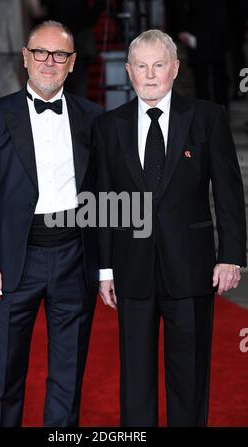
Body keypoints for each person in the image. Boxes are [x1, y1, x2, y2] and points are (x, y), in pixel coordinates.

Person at [94, 29, 247, 426]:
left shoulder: (207, 117)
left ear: (175, 69)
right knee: (136, 378)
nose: (149, 75)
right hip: (132, 270)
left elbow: (229, 192)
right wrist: (106, 268)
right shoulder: (108, 126)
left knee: (190, 376)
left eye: (158, 65)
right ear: (128, 71)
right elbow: (105, 203)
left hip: (192, 268)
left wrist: (230, 256)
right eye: (141, 66)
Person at [0, 20, 102, 427]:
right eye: (40, 52)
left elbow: (106, 192)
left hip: (75, 257)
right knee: (5, 369)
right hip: (13, 263)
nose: (48, 62)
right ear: (25, 57)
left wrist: (107, 266)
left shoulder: (93, 117)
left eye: (59, 55)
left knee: (68, 373)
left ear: (72, 63)